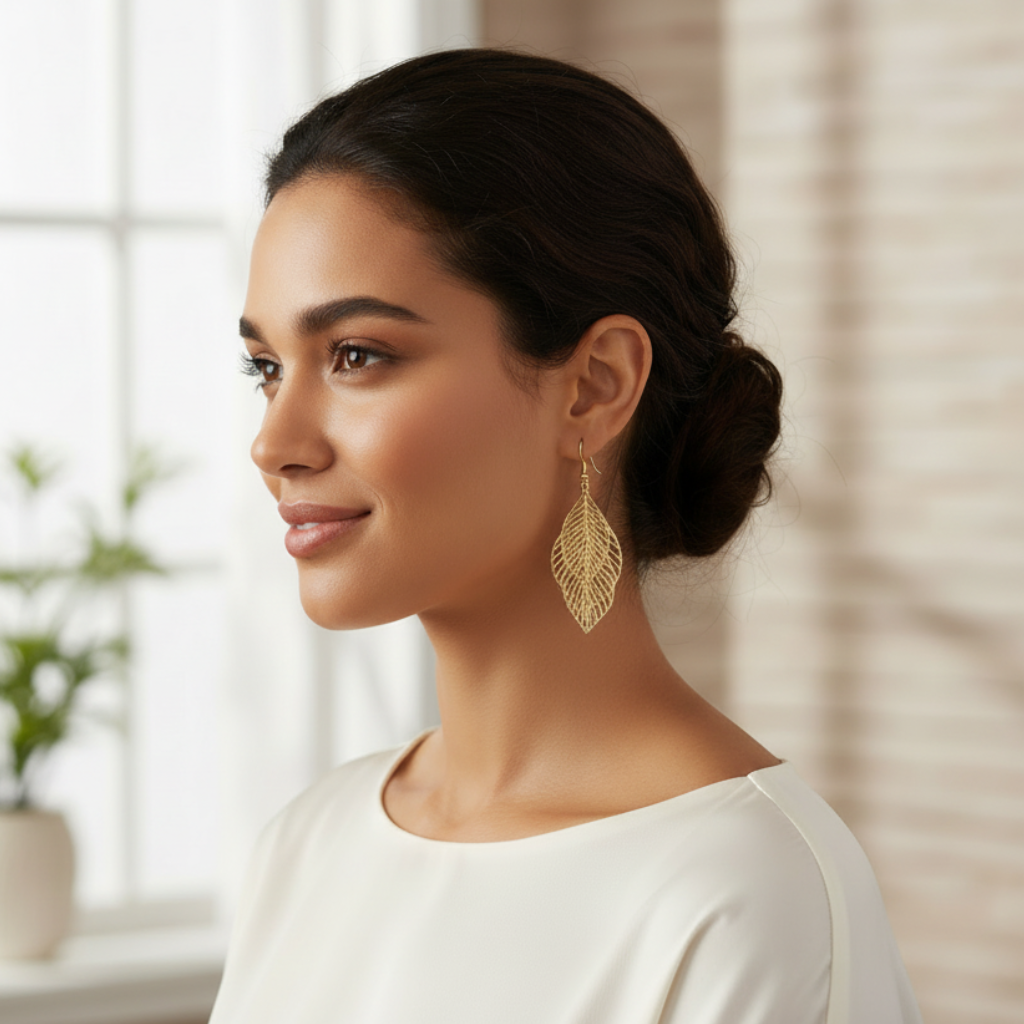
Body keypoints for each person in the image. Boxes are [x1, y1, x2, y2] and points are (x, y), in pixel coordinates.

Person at [208, 47, 922, 1024]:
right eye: (265, 367)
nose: (274, 441)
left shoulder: (748, 891)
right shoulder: (307, 844)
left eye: (356, 355)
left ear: (593, 386)